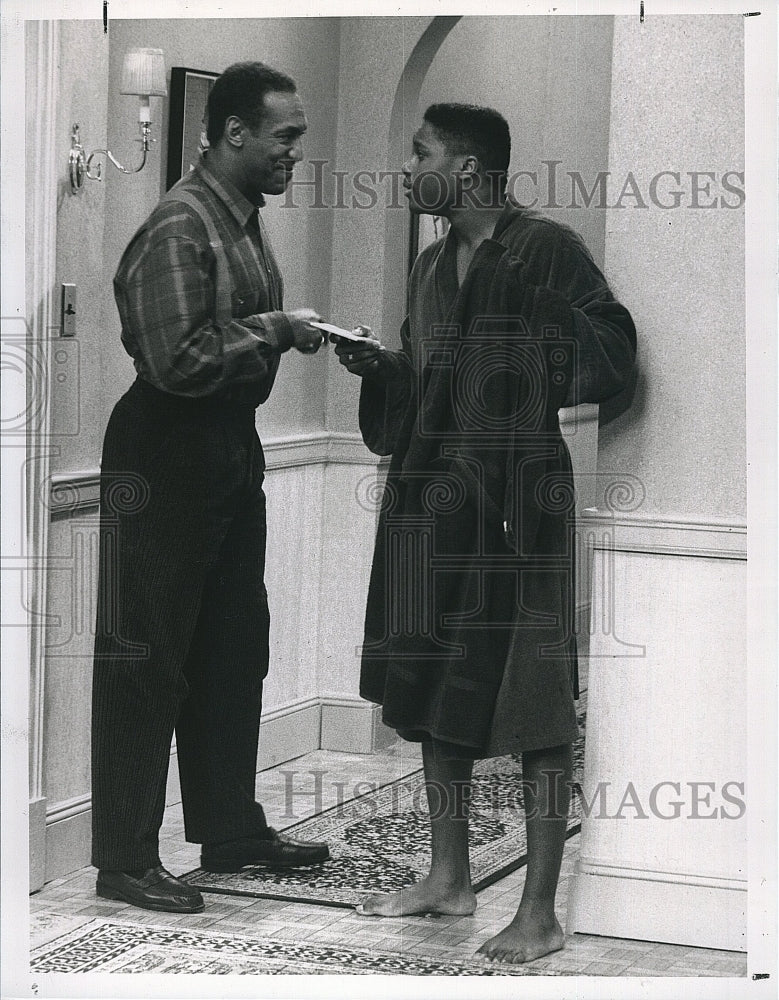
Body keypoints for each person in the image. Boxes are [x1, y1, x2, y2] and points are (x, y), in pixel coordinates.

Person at [335, 103, 636, 963]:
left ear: (465, 170)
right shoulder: (430, 263)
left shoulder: (544, 247)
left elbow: (610, 350)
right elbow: (428, 374)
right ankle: (448, 877)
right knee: (434, 686)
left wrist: (522, 303)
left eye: (419, 153)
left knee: (531, 695)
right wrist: (381, 368)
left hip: (517, 494)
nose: (404, 167)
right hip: (433, 499)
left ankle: (538, 911)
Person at [91, 62, 330, 915]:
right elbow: (175, 359)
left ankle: (229, 828)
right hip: (166, 449)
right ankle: (122, 858)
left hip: (227, 443)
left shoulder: (240, 221)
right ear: (236, 134)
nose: (293, 151)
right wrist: (273, 328)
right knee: (146, 657)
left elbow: (219, 342)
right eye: (285, 135)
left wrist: (284, 335)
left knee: (233, 645)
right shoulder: (178, 226)